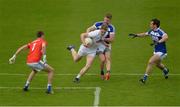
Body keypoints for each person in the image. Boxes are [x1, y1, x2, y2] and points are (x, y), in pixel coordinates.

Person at [129, 18, 169, 84]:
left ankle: (144, 78)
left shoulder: (160, 32)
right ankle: (165, 70)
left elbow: (166, 37)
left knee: (151, 61)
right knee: (157, 64)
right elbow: (145, 34)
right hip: (156, 51)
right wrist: (136, 35)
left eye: (151, 24)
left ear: (155, 25)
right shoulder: (151, 31)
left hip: (162, 52)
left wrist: (159, 42)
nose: (150, 25)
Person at [86, 13, 115, 80]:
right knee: (103, 60)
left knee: (108, 58)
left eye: (107, 20)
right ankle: (102, 72)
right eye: (105, 19)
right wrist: (88, 37)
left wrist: (102, 39)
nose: (105, 21)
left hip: (107, 45)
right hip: (99, 45)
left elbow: (112, 39)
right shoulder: (98, 24)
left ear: (110, 21)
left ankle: (108, 73)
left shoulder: (111, 28)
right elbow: (88, 29)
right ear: (104, 18)